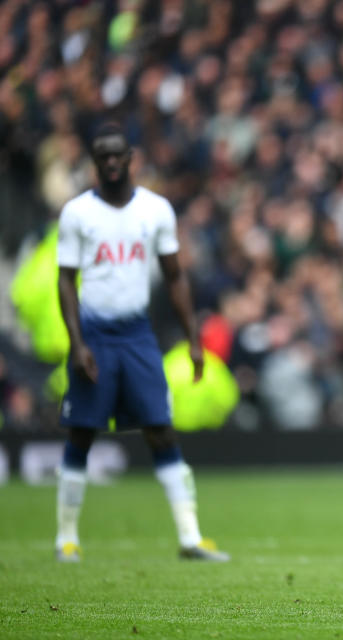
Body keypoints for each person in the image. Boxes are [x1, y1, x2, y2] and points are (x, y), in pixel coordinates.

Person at [53, 122, 229, 563]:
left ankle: (190, 536)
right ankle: (66, 537)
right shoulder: (77, 214)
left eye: (118, 156)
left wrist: (193, 338)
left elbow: (175, 277)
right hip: (95, 333)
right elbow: (66, 281)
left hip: (137, 334)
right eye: (103, 157)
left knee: (161, 428)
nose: (111, 163)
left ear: (131, 159)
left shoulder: (156, 211)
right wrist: (77, 343)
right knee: (82, 431)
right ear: (95, 163)